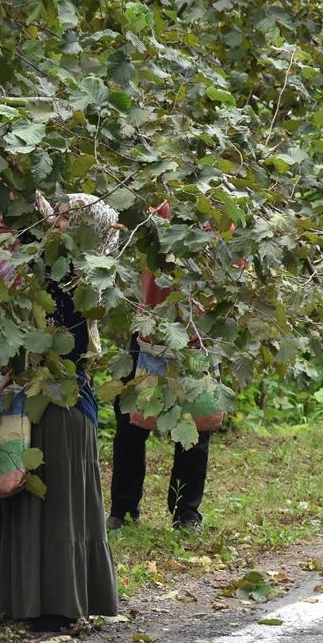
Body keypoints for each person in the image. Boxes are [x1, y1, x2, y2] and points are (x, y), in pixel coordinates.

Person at [0, 194, 120, 631]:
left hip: (62, 400)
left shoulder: (80, 274)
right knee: (42, 501)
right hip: (48, 399)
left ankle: (59, 605)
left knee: (59, 505)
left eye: (66, 219)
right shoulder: (64, 267)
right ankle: (35, 603)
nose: (55, 224)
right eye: (57, 216)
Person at [108, 203, 213, 532]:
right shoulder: (157, 208)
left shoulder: (218, 214)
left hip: (196, 336)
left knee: (195, 426)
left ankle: (186, 514)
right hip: (149, 328)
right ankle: (122, 511)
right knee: (130, 422)